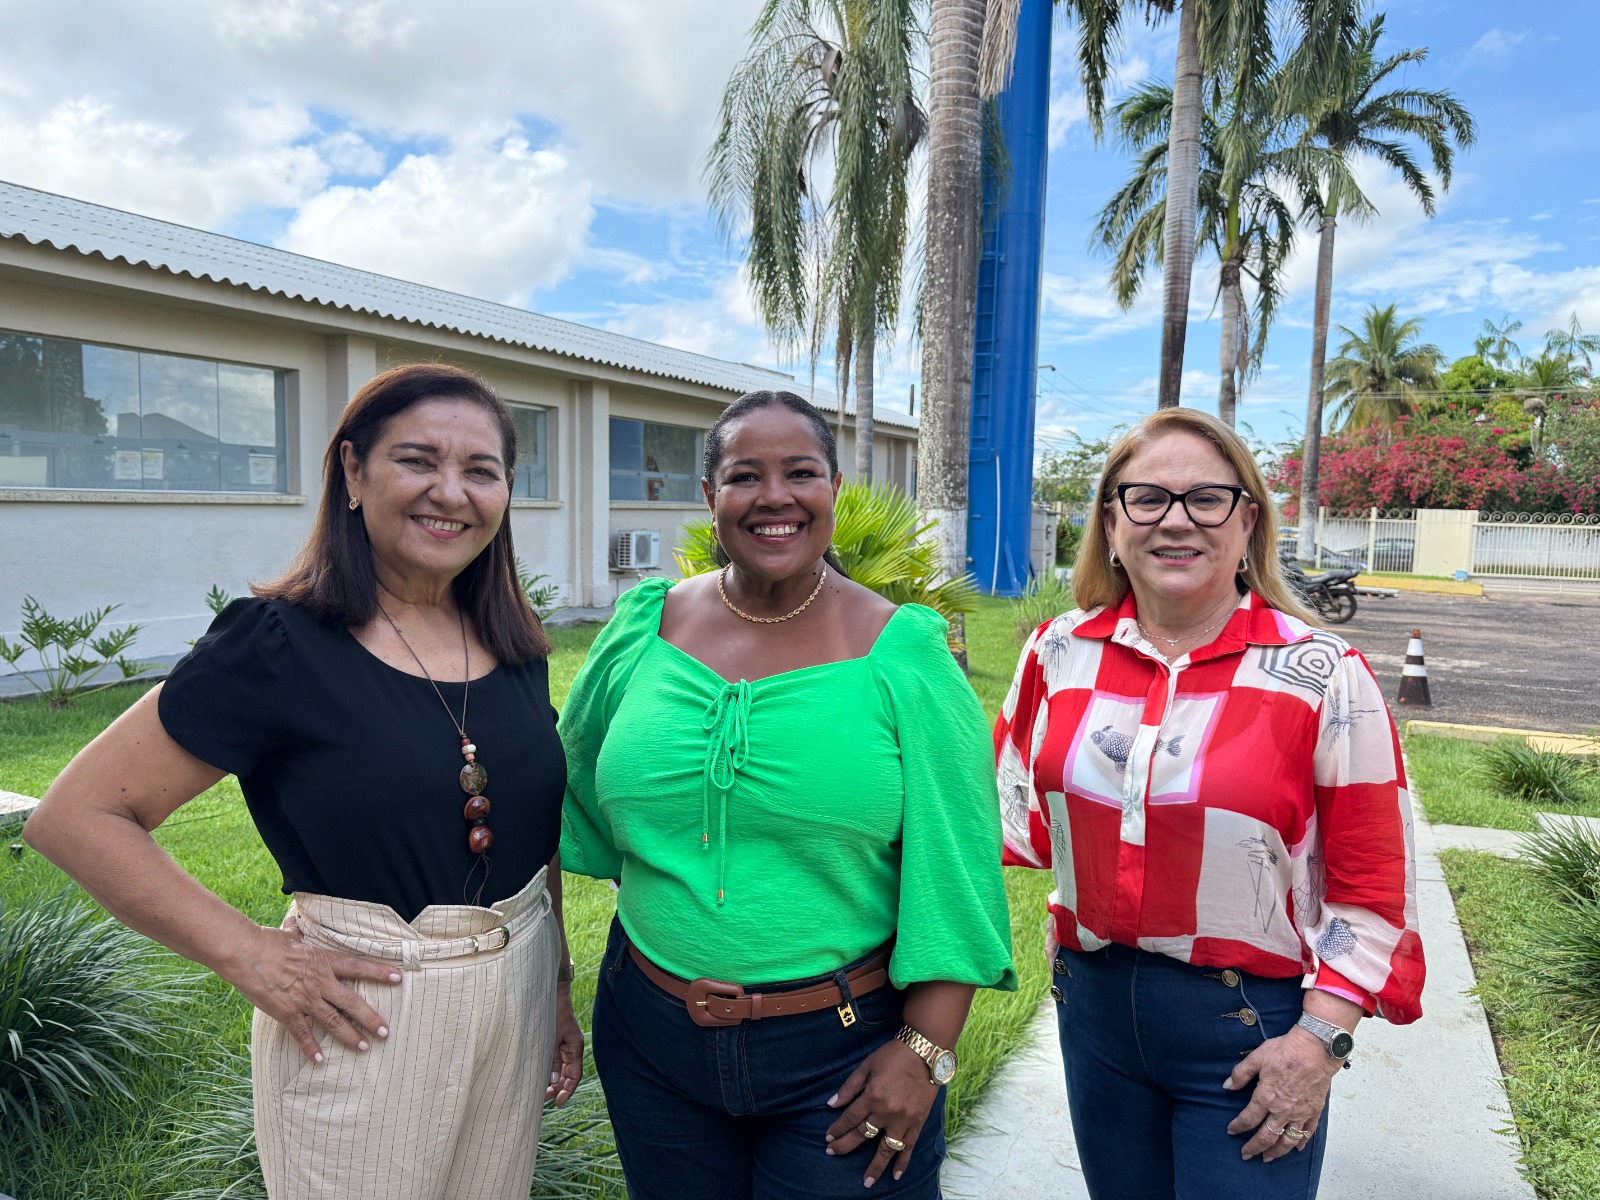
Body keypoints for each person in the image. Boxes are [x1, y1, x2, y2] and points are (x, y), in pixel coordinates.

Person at [25, 363, 583, 1200]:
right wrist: (253, 957)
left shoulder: (514, 645)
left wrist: (559, 987)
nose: (450, 492)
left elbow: (535, 833)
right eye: (417, 460)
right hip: (365, 1015)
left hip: (518, 991)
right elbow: (77, 816)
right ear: (353, 474)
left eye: (481, 470)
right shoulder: (280, 645)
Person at [559, 390, 1016, 1199]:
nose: (775, 496)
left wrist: (925, 1051)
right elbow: (565, 793)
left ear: (833, 487)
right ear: (710, 499)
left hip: (844, 1055)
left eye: (800, 472)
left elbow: (959, 873)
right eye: (745, 475)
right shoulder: (641, 629)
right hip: (650, 1037)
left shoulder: (902, 653)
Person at [994, 408, 1424, 1200]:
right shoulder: (1059, 651)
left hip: (1246, 1029)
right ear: (1112, 521)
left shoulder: (1322, 675)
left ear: (1248, 520)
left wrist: (1321, 1040)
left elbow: (1376, 886)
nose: (1176, 521)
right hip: (1093, 1013)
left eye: (1206, 499)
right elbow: (1008, 813)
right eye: (1148, 498)